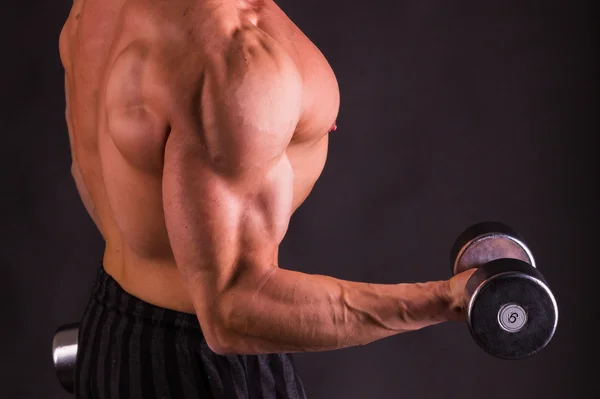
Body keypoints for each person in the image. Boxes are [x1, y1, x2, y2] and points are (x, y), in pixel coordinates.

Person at [59, 0, 475, 397]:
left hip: (110, 329)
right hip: (202, 373)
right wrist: (451, 299)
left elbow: (97, 176)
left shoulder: (93, 12)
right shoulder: (228, 59)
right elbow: (233, 308)